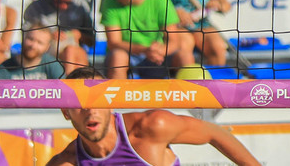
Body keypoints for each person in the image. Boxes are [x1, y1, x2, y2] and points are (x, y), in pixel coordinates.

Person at [48, 66, 261, 166]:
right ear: (66, 113)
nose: (90, 110)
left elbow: (214, 133)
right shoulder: (68, 162)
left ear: (110, 105)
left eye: (96, 100)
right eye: (79, 104)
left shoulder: (151, 126)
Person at [99, 0, 195, 79]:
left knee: (185, 57)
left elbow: (174, 41)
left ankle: (190, 94)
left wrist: (160, 51)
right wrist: (145, 50)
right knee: (118, 58)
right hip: (129, 55)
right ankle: (117, 95)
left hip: (157, 55)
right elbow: (113, 43)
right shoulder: (111, 3)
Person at [23, 0, 95, 72]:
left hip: (75, 52)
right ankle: (71, 85)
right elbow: (26, 40)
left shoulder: (80, 6)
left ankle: (69, 85)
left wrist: (80, 35)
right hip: (44, 53)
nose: (63, 6)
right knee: (70, 53)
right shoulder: (36, 8)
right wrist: (48, 35)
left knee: (71, 51)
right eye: (59, 1)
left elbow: (92, 41)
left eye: (67, 2)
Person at [0, 25, 65, 80]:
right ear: (23, 38)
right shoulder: (4, 68)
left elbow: (64, 92)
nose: (33, 46)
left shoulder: (53, 65)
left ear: (47, 47)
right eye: (30, 39)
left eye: (40, 43)